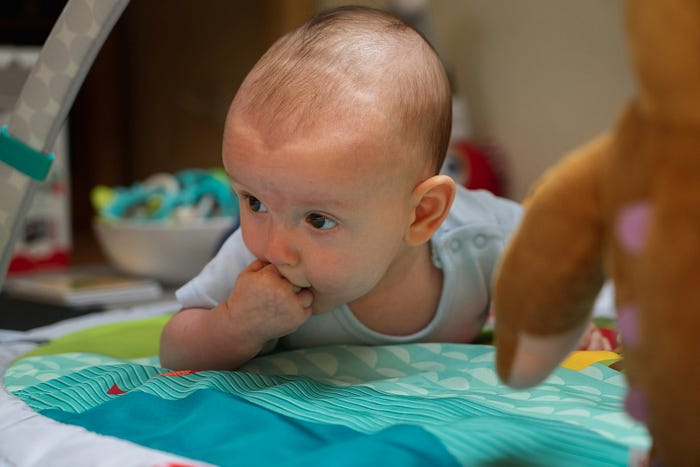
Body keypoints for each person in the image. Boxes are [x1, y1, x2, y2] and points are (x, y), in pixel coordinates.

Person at [159, 6, 601, 371]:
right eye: (253, 200)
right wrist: (235, 325)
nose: (275, 247)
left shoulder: (480, 239)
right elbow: (174, 351)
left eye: (318, 219)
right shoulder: (251, 259)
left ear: (422, 214)